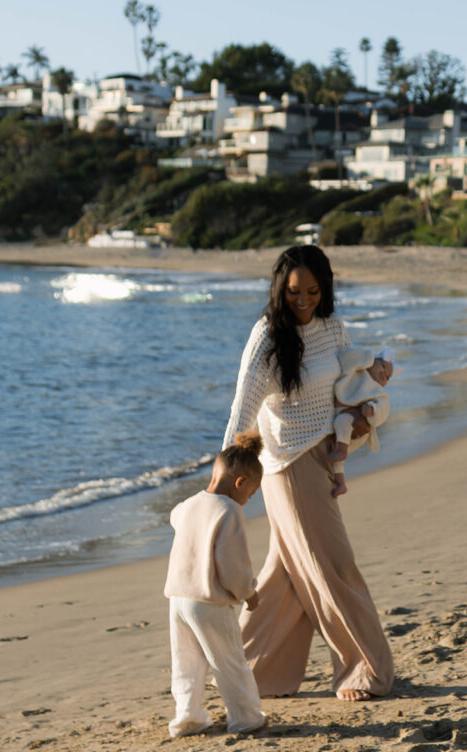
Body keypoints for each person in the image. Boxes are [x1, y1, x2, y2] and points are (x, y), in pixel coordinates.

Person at [223, 245, 395, 702]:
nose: (303, 301)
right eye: (295, 292)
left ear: (325, 288)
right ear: (281, 289)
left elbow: (341, 387)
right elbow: (244, 407)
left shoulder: (332, 327)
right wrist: (223, 482)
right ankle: (366, 670)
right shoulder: (267, 336)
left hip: (324, 456)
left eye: (313, 291)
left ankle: (244, 676)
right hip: (288, 467)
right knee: (333, 566)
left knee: (284, 578)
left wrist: (363, 409)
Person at [164, 431, 268, 738]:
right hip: (210, 602)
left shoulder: (187, 505)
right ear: (241, 484)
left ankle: (188, 719)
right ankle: (247, 718)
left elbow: (175, 518)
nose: (248, 502)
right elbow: (233, 564)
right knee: (229, 661)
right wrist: (248, 593)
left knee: (186, 663)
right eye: (251, 494)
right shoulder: (229, 511)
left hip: (178, 600)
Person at [328, 345, 400, 496]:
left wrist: (372, 409)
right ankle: (341, 483)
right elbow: (346, 358)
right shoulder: (358, 371)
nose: (384, 375)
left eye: (387, 377)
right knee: (334, 455)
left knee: (342, 424)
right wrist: (367, 358)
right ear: (372, 361)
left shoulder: (377, 391)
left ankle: (342, 450)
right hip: (338, 419)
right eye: (382, 367)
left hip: (353, 422)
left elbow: (384, 408)